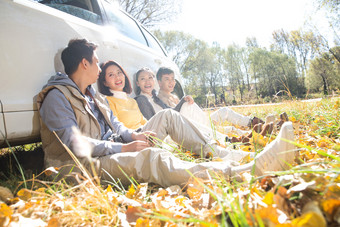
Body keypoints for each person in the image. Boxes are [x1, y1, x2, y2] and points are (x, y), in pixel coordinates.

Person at [37, 38, 296, 187]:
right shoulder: (57, 97)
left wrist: (132, 137)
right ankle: (245, 172)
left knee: (169, 116)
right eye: (96, 61)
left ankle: (232, 155)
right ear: (85, 63)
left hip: (112, 148)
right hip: (78, 166)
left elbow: (117, 127)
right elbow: (75, 144)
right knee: (153, 158)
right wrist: (124, 149)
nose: (99, 66)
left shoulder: (93, 97)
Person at [156, 67, 264, 133]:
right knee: (226, 129)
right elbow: (170, 117)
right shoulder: (160, 99)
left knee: (225, 111)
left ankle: (251, 122)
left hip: (200, 121)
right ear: (159, 82)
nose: (171, 82)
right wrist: (184, 102)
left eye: (173, 79)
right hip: (191, 128)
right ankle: (250, 133)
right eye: (167, 79)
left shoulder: (174, 96)